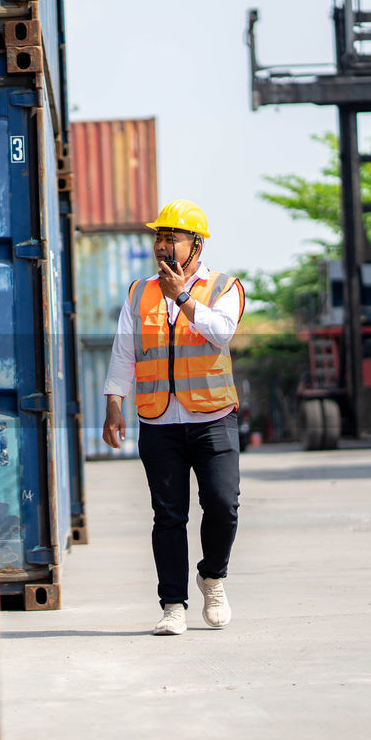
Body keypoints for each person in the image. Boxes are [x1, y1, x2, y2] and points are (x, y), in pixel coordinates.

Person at [101, 199, 245, 636]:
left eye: (173, 238)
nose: (163, 246)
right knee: (168, 516)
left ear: (196, 245)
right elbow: (125, 349)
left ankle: (213, 577)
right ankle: (173, 605)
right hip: (159, 421)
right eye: (159, 238)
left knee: (223, 506)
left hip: (212, 418)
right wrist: (113, 400)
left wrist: (180, 296)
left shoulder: (225, 287)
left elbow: (221, 333)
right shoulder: (139, 291)